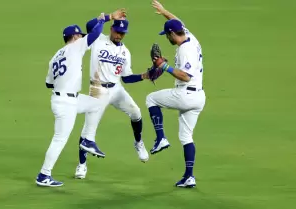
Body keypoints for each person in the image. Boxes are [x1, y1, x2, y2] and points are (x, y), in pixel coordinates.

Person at [75, 11, 151, 179]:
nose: (119, 35)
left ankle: (138, 143)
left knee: (136, 113)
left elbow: (126, 78)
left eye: (122, 33)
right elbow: (89, 25)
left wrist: (143, 76)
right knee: (88, 130)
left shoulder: (126, 53)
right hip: (97, 89)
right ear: (111, 29)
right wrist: (109, 15)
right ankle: (81, 164)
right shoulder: (98, 39)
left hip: (116, 89)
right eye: (117, 31)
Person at [35, 13, 107, 187]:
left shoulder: (56, 56)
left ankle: (87, 140)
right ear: (74, 37)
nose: (82, 38)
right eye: (79, 36)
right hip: (66, 104)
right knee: (59, 139)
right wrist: (104, 18)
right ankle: (44, 175)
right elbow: (95, 34)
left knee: (97, 104)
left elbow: (48, 83)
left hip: (66, 99)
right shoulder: (75, 47)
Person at [147, 0, 206, 188]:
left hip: (185, 95)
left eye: (167, 35)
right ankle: (189, 176)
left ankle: (160, 138)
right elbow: (177, 20)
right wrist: (164, 12)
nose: (167, 38)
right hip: (199, 98)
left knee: (151, 99)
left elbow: (186, 76)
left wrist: (164, 66)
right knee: (186, 137)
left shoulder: (185, 50)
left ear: (173, 34)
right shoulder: (191, 37)